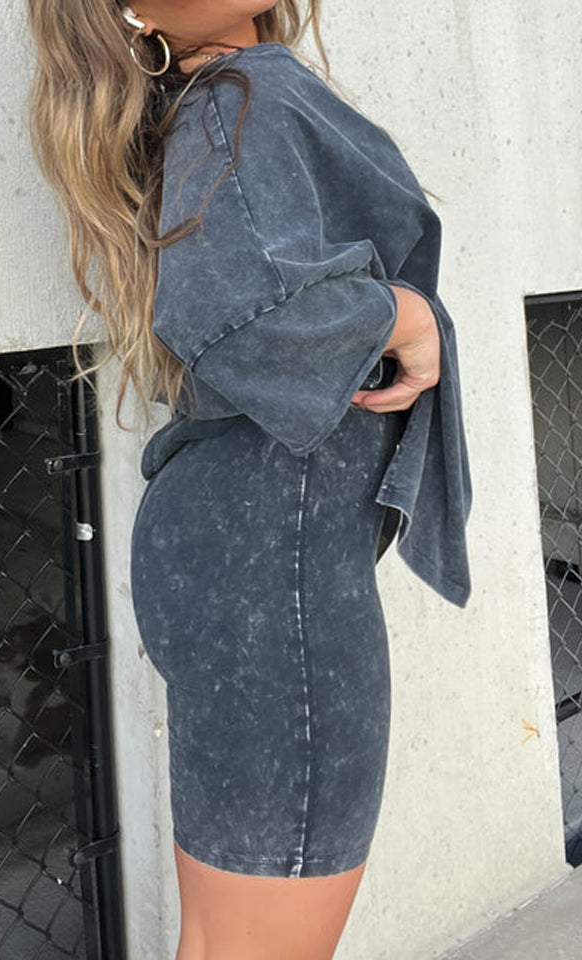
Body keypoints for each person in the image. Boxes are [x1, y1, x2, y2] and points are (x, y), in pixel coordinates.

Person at [25, 2, 472, 958]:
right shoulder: (241, 95)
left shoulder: (209, 102)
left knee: (219, 941)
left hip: (242, 556)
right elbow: (242, 314)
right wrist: (403, 314)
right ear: (132, 12)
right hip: (277, 570)